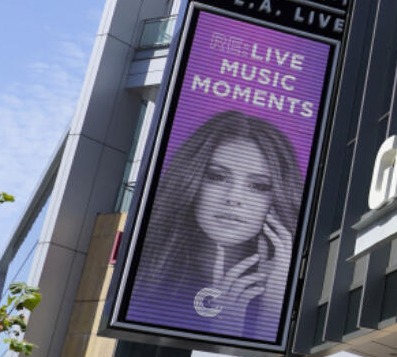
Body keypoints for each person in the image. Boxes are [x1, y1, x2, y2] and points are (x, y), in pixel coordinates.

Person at [126, 110, 300, 341]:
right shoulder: (144, 270)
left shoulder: (299, 283)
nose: (234, 198)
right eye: (217, 177)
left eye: (258, 186)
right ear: (192, 181)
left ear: (276, 198)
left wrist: (274, 302)